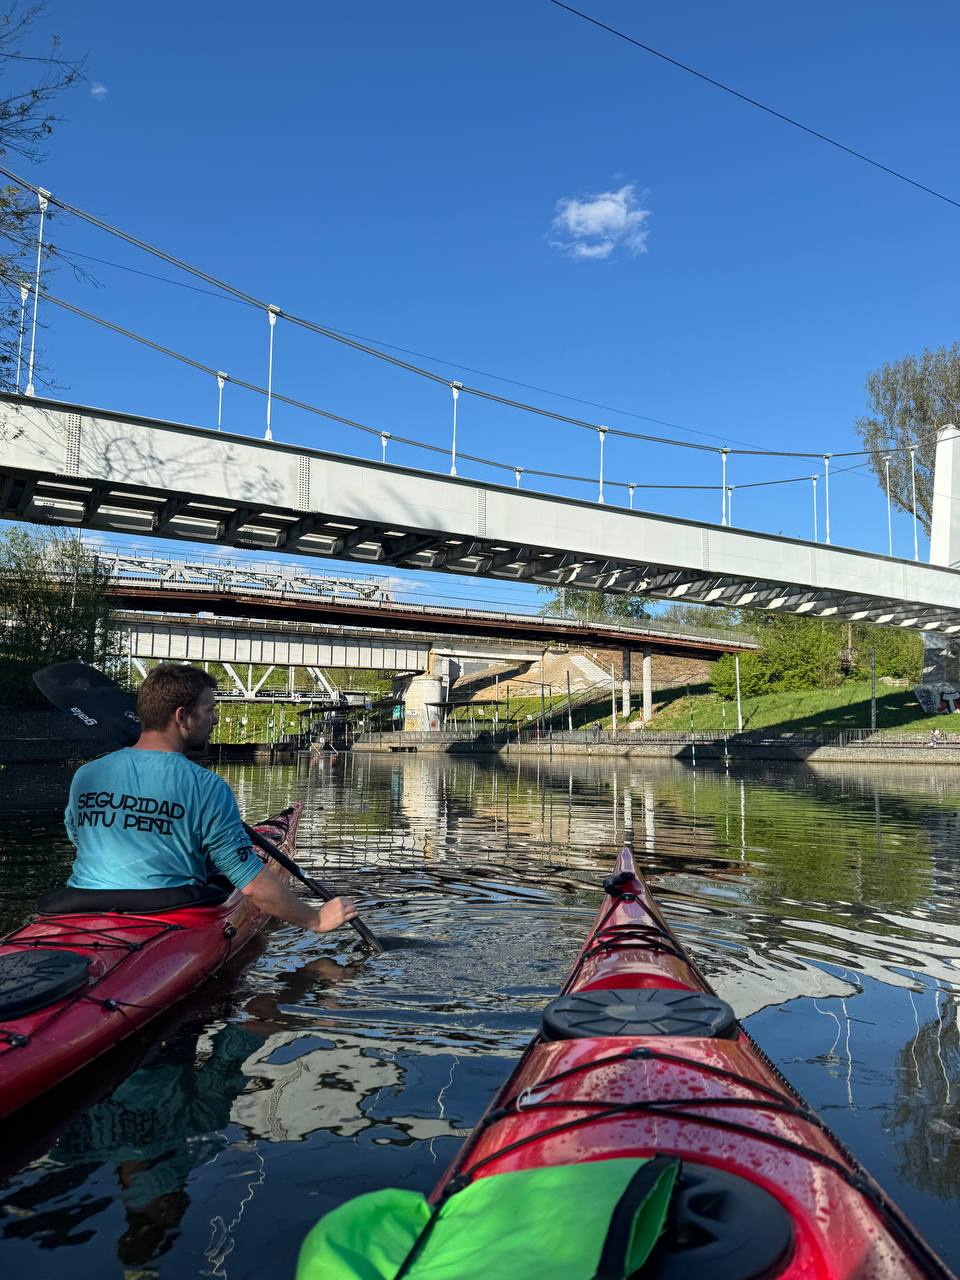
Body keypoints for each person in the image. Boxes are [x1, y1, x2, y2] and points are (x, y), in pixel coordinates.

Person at [63, 664, 357, 936]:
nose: (215, 718)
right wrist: (316, 919)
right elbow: (252, 884)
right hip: (166, 915)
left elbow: (80, 839)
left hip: (76, 908)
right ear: (182, 717)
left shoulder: (86, 775)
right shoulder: (207, 786)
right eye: (210, 709)